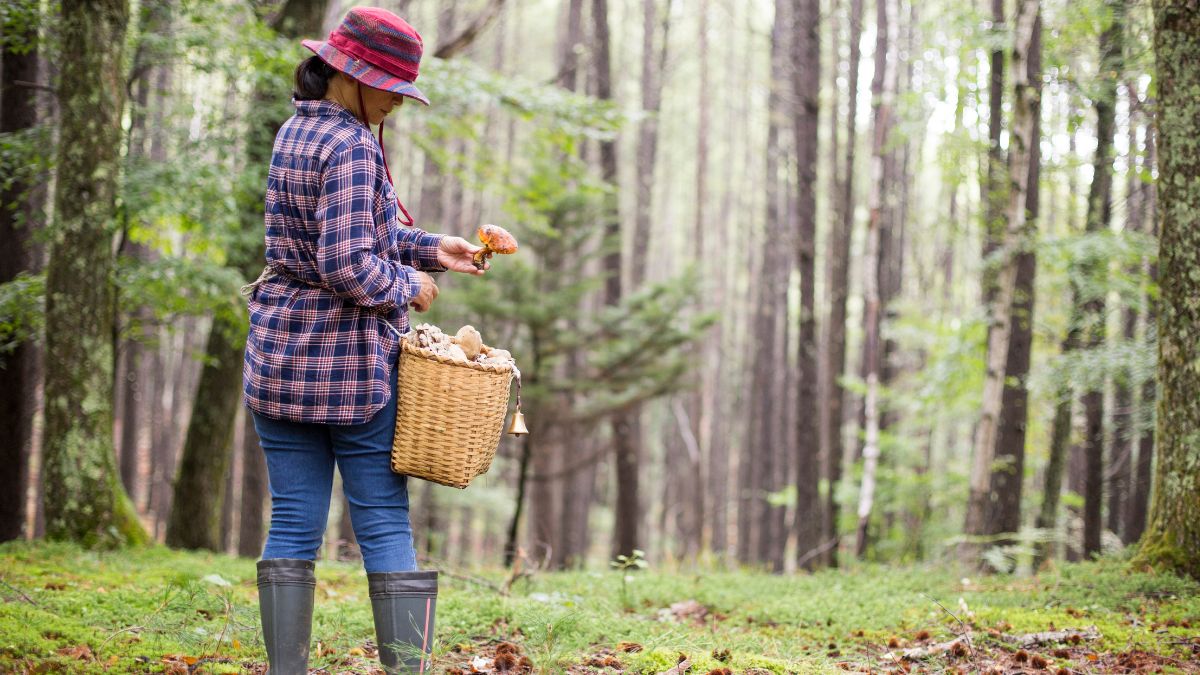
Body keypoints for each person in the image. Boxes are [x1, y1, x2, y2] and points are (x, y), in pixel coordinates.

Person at [241, 7, 485, 673]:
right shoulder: (351, 145)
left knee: (292, 523)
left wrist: (435, 248)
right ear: (351, 74)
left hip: (279, 356)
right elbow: (349, 264)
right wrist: (407, 284)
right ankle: (406, 668)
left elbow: (349, 236)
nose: (396, 106)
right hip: (349, 368)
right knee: (381, 522)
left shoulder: (298, 131)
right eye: (391, 90)